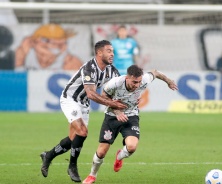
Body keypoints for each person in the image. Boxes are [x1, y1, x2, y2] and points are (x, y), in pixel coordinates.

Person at [39, 40, 127, 182]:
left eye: (113, 51)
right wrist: (112, 103)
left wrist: (130, 99)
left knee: (74, 139)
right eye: (109, 51)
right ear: (99, 53)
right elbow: (91, 93)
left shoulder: (112, 70)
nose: (112, 54)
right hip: (70, 99)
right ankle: (72, 166)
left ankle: (48, 155)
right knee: (82, 132)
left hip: (84, 104)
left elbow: (120, 88)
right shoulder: (89, 68)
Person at [82, 64, 178, 184]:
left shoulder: (144, 80)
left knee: (132, 147)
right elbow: (104, 96)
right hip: (112, 117)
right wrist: (117, 111)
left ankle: (119, 156)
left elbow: (156, 72)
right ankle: (92, 175)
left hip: (131, 116)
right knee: (101, 152)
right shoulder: (115, 83)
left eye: (139, 82)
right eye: (134, 82)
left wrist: (169, 81)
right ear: (127, 77)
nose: (137, 85)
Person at [15, 24, 83, 70]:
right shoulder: (24, 53)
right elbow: (14, 75)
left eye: (58, 42)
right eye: (46, 40)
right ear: (34, 41)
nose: (51, 45)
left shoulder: (70, 61)